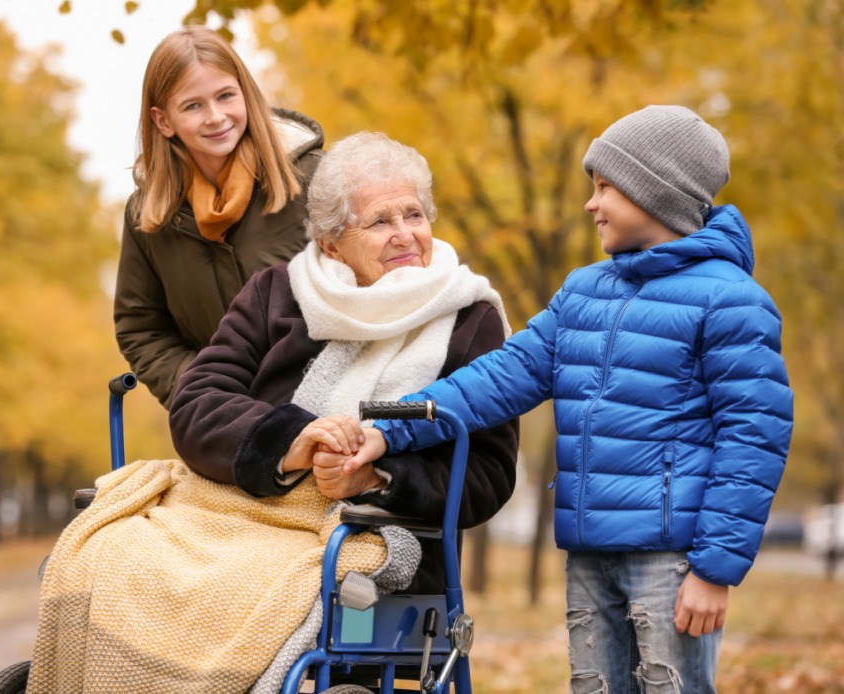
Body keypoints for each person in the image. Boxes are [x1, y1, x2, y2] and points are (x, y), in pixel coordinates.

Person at [341, 107, 794, 693]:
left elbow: (754, 435)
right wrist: (392, 431)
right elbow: (500, 377)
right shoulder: (583, 292)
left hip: (673, 558)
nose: (591, 203)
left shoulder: (731, 301)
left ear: (657, 195)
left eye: (605, 187)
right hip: (588, 553)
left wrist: (714, 568)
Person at [169, 131, 520, 593]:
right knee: (116, 559)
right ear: (332, 244)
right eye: (378, 222)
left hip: (385, 542)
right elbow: (196, 402)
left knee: (270, 588)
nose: (405, 235)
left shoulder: (470, 316)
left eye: (414, 214)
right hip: (246, 518)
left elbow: (488, 472)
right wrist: (293, 442)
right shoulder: (276, 292)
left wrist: (374, 478)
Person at [115, 25, 324, 409]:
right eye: (193, 105)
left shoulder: (313, 179)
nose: (215, 116)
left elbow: (371, 282)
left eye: (225, 96)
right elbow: (141, 327)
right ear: (163, 121)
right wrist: (203, 392)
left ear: (245, 93)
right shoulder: (147, 217)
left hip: (333, 404)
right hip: (227, 424)